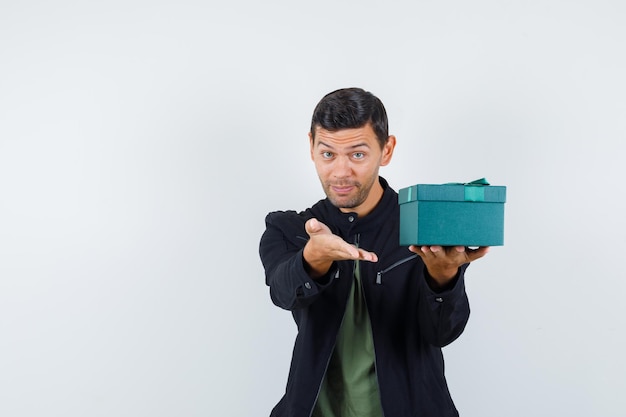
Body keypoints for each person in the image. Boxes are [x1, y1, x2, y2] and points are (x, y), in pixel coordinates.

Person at [259, 87, 489, 417]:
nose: (340, 172)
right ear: (311, 146)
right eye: (328, 154)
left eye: (357, 154)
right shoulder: (290, 228)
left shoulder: (422, 227)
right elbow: (283, 293)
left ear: (387, 149)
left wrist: (444, 278)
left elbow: (443, 332)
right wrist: (314, 259)